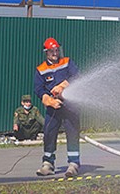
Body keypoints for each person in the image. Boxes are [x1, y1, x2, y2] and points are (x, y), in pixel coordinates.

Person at [34, 37, 81, 177]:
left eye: (56, 50)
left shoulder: (67, 62)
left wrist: (63, 86)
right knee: (49, 132)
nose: (55, 53)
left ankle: (73, 164)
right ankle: (48, 164)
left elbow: (76, 76)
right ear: (46, 52)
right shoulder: (41, 69)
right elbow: (38, 88)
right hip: (53, 107)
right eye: (51, 51)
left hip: (70, 106)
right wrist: (47, 99)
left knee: (72, 133)